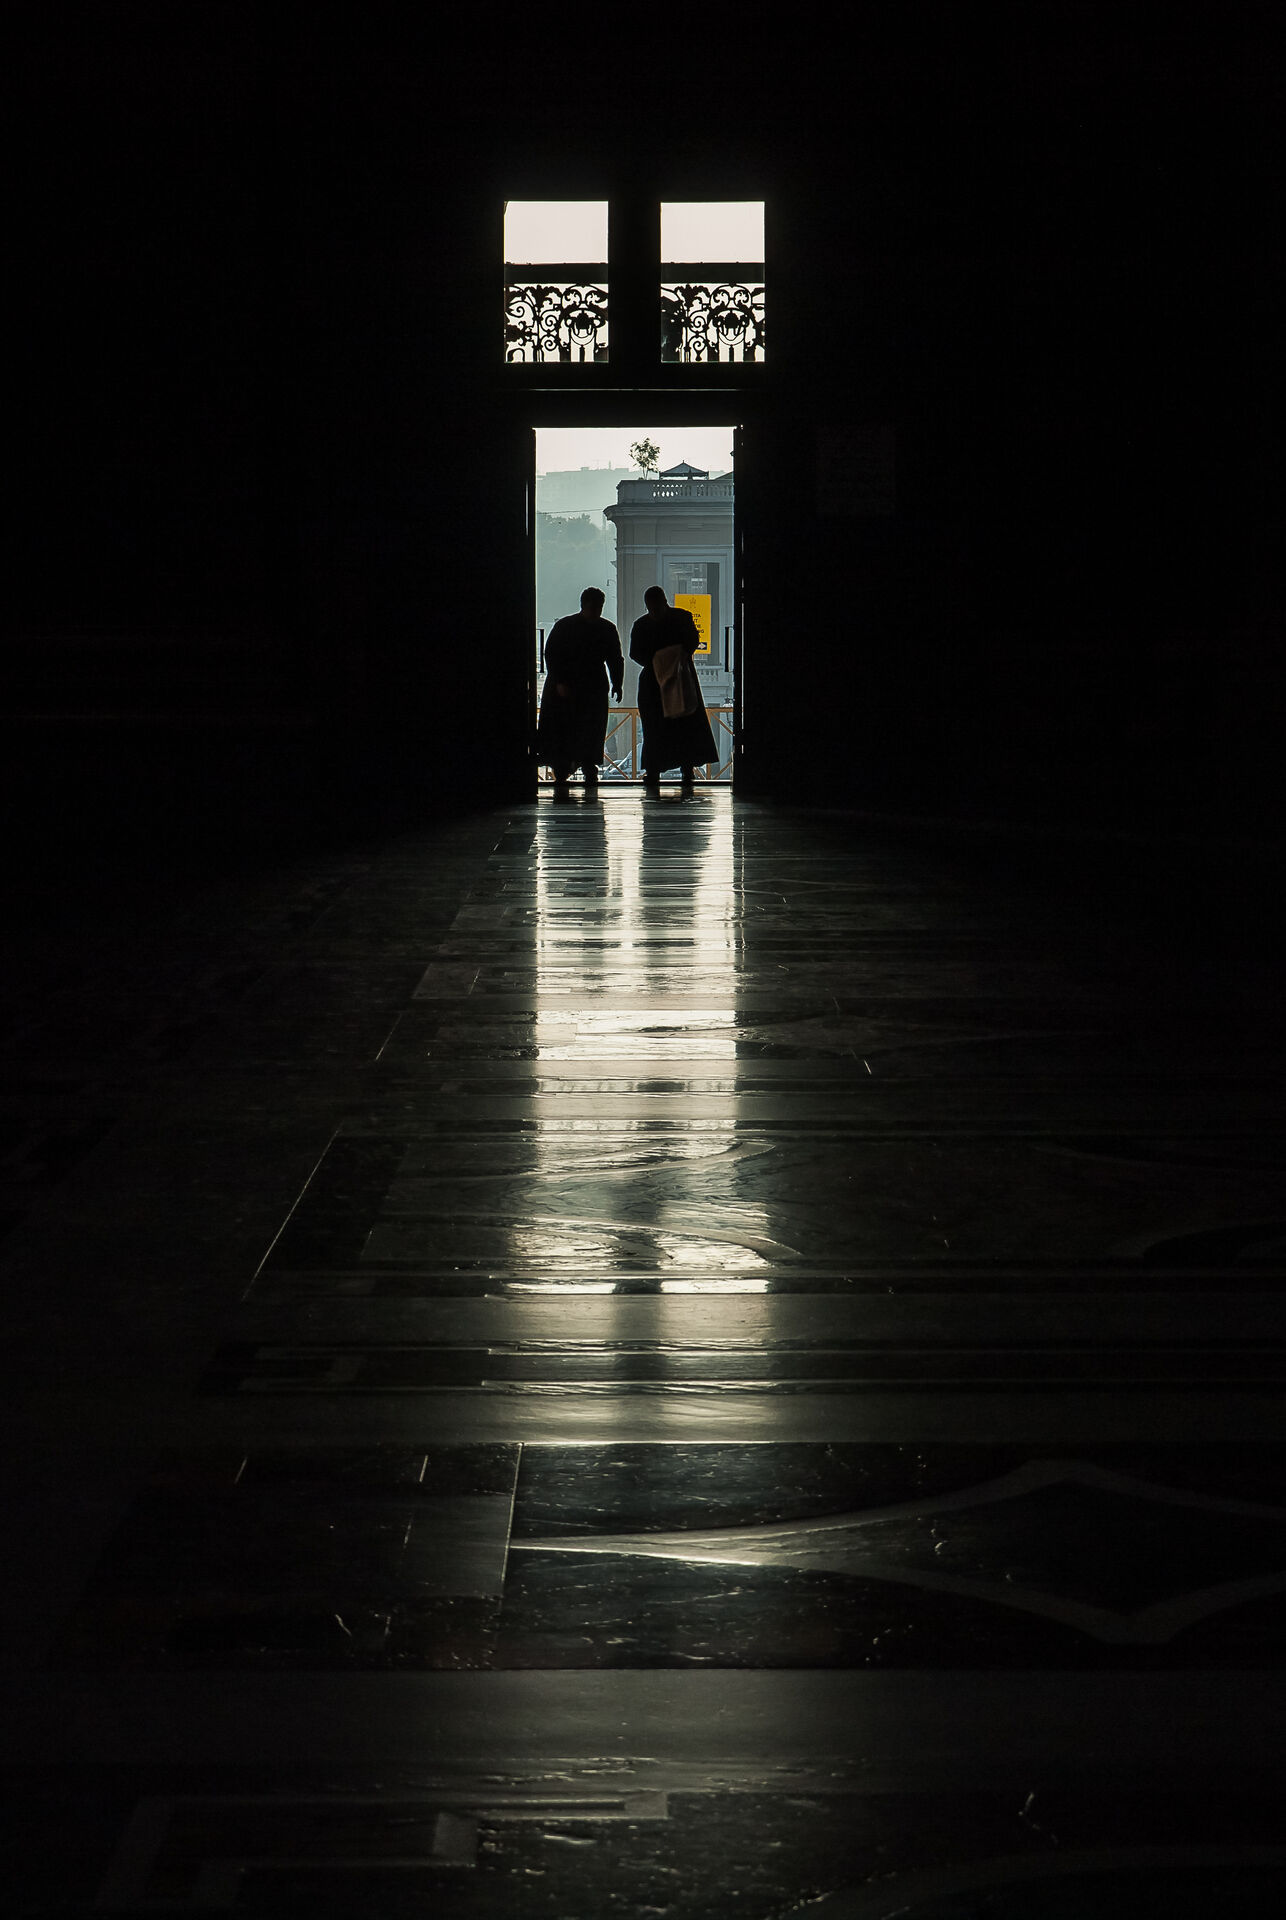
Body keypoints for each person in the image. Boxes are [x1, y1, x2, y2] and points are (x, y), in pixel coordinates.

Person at [629, 585, 719, 792]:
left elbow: (635, 653)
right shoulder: (682, 618)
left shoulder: (641, 625)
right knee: (685, 726)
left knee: (654, 728)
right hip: (681, 678)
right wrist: (675, 658)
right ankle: (686, 770)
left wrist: (658, 663)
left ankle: (654, 771)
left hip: (654, 682)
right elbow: (692, 641)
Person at [536, 587, 624, 794]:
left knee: (565, 730)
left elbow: (551, 655)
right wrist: (616, 683)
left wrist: (559, 681)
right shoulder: (606, 629)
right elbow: (615, 658)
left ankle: (563, 768)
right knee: (590, 730)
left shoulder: (564, 626)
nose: (596, 611)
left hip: (567, 688)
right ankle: (587, 766)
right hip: (591, 686)